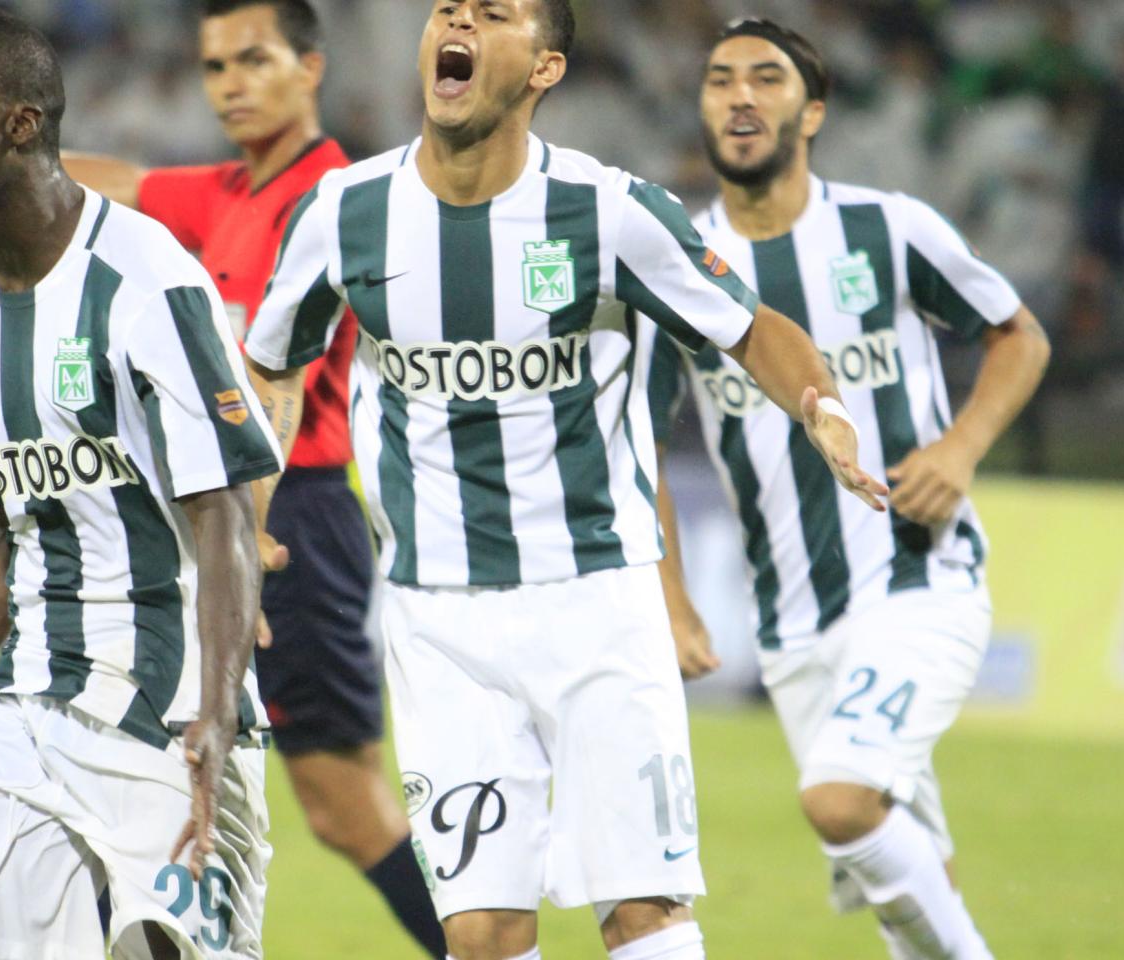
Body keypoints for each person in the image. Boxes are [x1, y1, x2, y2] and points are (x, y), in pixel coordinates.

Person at [242, 3, 887, 959]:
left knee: (642, 912)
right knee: (483, 935)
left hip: (598, 607)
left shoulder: (609, 210)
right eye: (446, 9)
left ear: (542, 68)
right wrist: (249, 522)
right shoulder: (345, 211)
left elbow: (751, 326)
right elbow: (272, 363)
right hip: (438, 620)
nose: (456, 20)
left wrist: (823, 409)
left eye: (491, 12)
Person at [0, 9, 283, 958]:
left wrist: (220, 709)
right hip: (25, 712)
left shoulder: (146, 278)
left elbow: (223, 512)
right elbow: (3, 527)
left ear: (21, 123)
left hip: (170, 717)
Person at [645, 19, 1050, 960]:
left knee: (841, 800)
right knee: (909, 875)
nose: (740, 96)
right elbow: (640, 444)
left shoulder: (887, 226)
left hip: (921, 580)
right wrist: (670, 597)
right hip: (793, 623)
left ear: (813, 109)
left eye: (767, 78)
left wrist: (959, 447)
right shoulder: (674, 267)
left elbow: (1017, 334)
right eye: (718, 80)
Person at [63, 2, 444, 954]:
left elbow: (289, 379)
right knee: (146, 759)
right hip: (220, 510)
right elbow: (115, 185)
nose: (230, 82)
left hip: (294, 512)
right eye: (215, 65)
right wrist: (2, 160)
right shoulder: (221, 192)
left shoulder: (335, 198)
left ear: (310, 67)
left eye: (255, 60)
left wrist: (253, 531)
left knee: (344, 801)